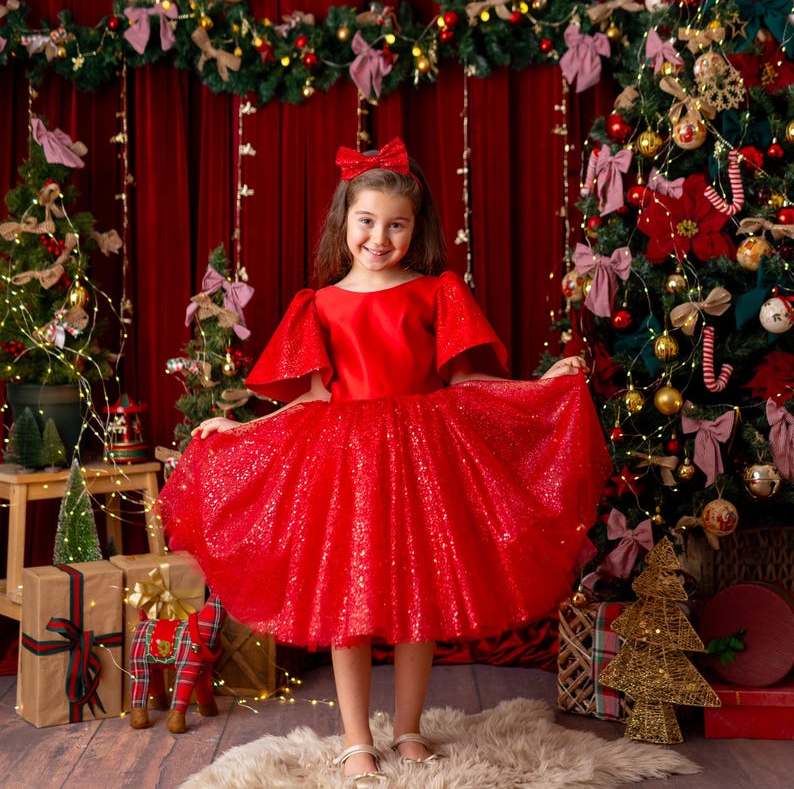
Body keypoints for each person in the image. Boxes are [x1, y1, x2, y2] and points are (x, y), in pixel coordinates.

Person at [156, 137, 611, 786]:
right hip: (344, 468)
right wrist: (234, 426)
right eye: (367, 221)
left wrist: (542, 387)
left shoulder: (434, 292)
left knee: (415, 601)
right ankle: (354, 741)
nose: (380, 236)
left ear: (415, 228)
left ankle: (407, 729)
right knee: (350, 602)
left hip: (422, 462)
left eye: (396, 225)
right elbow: (311, 398)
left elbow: (465, 383)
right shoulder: (318, 304)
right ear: (344, 221)